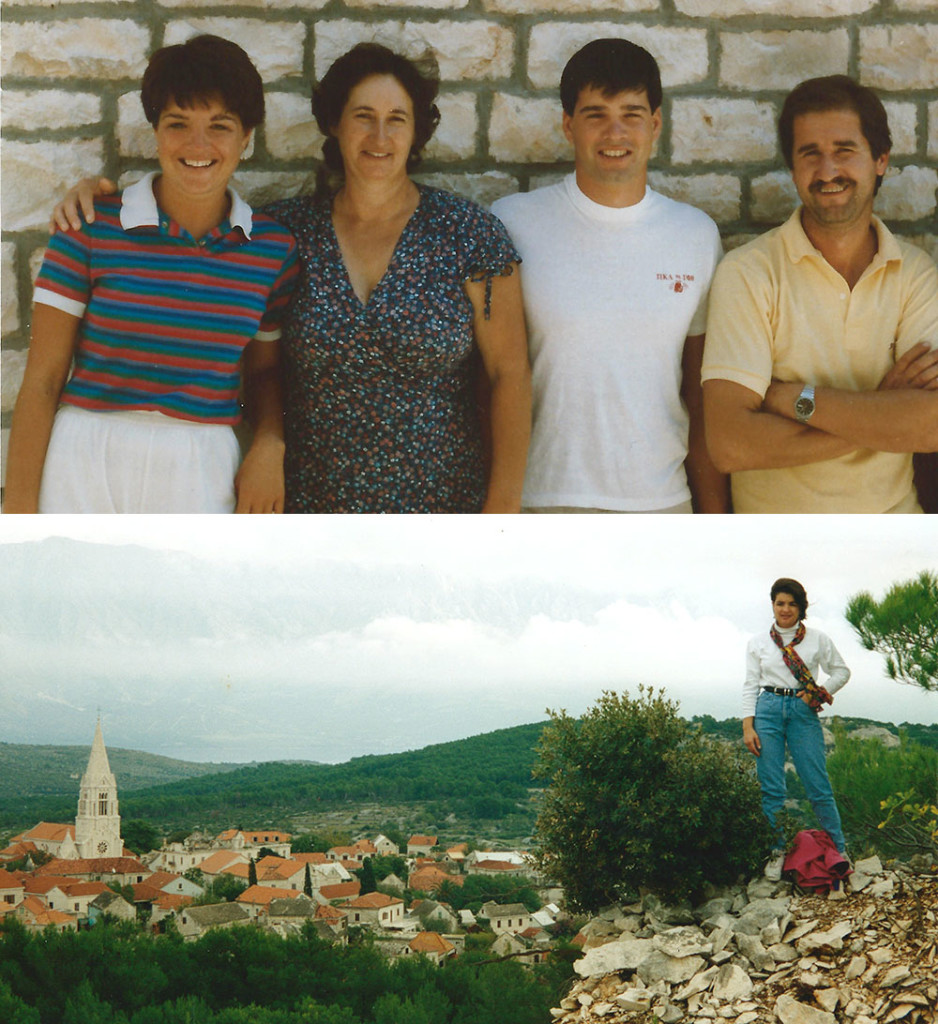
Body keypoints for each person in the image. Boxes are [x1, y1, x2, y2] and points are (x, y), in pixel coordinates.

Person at [50, 43, 532, 514]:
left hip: (443, 510)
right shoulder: (285, 234)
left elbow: (508, 375)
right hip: (304, 512)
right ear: (334, 125)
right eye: (363, 116)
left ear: (417, 131)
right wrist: (90, 195)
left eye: (397, 119)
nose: (379, 136)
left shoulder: (467, 232)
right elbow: (258, 360)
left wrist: (502, 512)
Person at [6, 35, 299, 514]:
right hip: (83, 457)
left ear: (247, 137)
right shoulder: (90, 227)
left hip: (202, 464)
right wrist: (16, 515)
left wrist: (270, 445)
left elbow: (264, 375)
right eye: (177, 123)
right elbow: (43, 378)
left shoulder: (272, 250)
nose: (197, 144)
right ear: (156, 132)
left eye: (220, 126)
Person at [491, 38, 727, 513]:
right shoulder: (512, 223)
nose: (614, 132)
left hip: (661, 506)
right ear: (567, 125)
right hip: (541, 503)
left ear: (655, 125)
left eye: (632, 114)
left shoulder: (696, 235)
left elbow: (700, 398)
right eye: (595, 114)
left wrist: (714, 522)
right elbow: (489, 380)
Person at [702, 75, 938, 513]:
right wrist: (884, 412)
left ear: (880, 159)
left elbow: (930, 428)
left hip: (893, 535)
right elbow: (732, 445)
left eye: (844, 151)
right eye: (810, 154)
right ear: (792, 169)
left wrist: (791, 399)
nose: (828, 171)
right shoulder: (748, 273)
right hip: (779, 544)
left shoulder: (916, 275)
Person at [743, 578, 850, 879]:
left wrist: (818, 692)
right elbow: (750, 684)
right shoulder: (758, 642)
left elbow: (841, 671)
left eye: (791, 603)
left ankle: (839, 849)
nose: (785, 609)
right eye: (780, 603)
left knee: (817, 784)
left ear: (801, 607)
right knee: (772, 787)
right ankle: (777, 851)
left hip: (803, 712)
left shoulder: (816, 639)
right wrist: (748, 726)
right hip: (767, 711)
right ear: (772, 605)